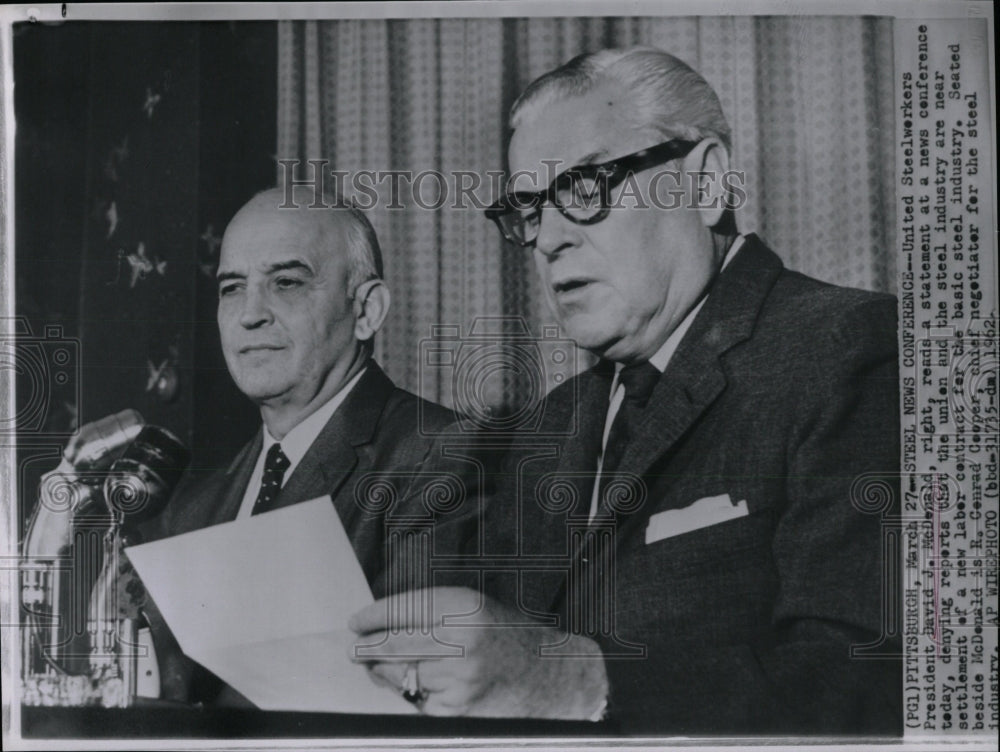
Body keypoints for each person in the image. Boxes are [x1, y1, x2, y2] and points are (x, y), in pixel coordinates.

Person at [350, 47, 901, 734]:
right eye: (529, 208)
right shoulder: (551, 422)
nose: (548, 239)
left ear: (704, 184)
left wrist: (573, 680)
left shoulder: (852, 350)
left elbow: (873, 688)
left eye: (584, 188)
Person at [139, 185, 474, 703]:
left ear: (367, 310)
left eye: (287, 282)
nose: (250, 314)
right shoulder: (194, 508)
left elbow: (414, 694)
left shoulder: (442, 458)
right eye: (232, 288)